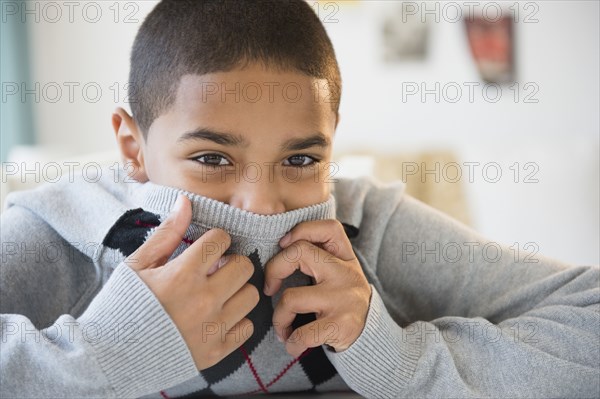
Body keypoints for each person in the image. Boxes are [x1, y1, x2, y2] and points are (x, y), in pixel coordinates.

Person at [1, 1, 598, 398]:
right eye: (212, 159)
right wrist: (103, 352)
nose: (263, 207)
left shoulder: (365, 224)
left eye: (301, 160)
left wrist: (396, 356)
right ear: (134, 149)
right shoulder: (68, 233)